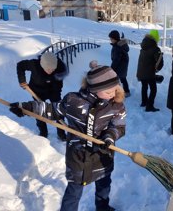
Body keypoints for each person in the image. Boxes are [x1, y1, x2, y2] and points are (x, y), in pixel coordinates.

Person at [9, 61, 126, 211]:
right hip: (78, 157)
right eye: (108, 91)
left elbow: (118, 125)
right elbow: (51, 110)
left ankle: (102, 207)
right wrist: (25, 108)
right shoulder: (74, 101)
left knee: (104, 184)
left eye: (114, 89)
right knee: (74, 191)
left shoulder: (116, 105)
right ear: (94, 89)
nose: (112, 94)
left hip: (102, 155)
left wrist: (109, 137)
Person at [16, 52, 68, 140]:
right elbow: (20, 65)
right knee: (39, 111)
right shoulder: (34, 64)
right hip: (37, 91)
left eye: (52, 69)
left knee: (58, 111)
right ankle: (43, 132)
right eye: (48, 69)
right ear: (42, 64)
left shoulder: (59, 67)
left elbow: (59, 82)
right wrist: (22, 80)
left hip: (53, 91)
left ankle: (61, 134)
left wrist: (57, 93)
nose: (50, 71)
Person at [136, 29, 163, 112]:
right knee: (153, 89)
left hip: (141, 72)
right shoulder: (155, 48)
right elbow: (159, 63)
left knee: (144, 86)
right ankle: (149, 106)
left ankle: (144, 102)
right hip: (149, 73)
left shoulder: (143, 46)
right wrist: (157, 69)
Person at [108, 30, 131, 97]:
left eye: (111, 39)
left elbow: (116, 60)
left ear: (115, 38)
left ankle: (118, 94)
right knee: (123, 79)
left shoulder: (117, 47)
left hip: (119, 67)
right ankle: (127, 92)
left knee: (116, 81)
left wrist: (112, 68)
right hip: (123, 66)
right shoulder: (120, 45)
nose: (110, 40)